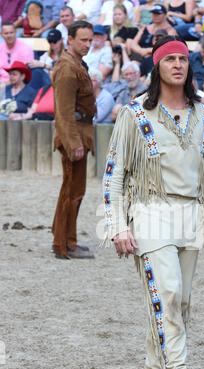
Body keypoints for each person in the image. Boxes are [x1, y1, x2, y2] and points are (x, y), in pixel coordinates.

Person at [102, 36, 204, 369]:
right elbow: (114, 173)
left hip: (191, 215)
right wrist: (118, 225)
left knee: (176, 301)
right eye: (169, 59)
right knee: (169, 294)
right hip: (150, 212)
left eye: (183, 59)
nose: (177, 64)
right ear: (156, 66)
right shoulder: (135, 114)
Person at [52, 20, 96, 259]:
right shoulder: (68, 68)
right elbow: (64, 111)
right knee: (72, 191)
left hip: (80, 132)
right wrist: (73, 143)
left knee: (72, 190)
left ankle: (65, 239)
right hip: (75, 134)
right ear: (70, 39)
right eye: (83, 40)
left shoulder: (75, 64)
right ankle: (64, 243)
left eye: (90, 40)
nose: (88, 44)